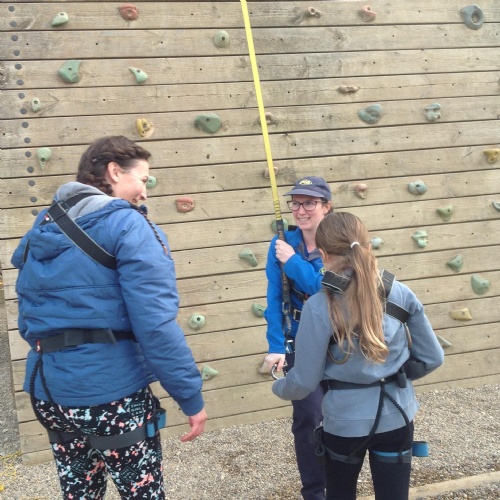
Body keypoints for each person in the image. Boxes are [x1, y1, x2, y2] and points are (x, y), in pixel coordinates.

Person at [12, 135, 207, 499]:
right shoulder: (128, 225)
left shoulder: (44, 224)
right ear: (115, 172)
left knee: (80, 493)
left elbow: (27, 313)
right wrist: (190, 397)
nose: (144, 192)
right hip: (109, 395)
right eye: (142, 179)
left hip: (50, 392)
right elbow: (156, 325)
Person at [272, 211, 445, 500]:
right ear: (367, 245)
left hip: (344, 423)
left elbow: (303, 382)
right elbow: (432, 358)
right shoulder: (399, 293)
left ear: (323, 255)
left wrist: (278, 386)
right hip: (397, 414)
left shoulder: (319, 306)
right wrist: (395, 377)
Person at [262, 176, 333, 500]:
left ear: (326, 206)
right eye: (296, 203)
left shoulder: (338, 241)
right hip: (299, 342)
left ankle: (340, 485)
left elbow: (326, 289)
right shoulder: (282, 242)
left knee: (341, 415)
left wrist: (292, 261)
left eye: (310, 203)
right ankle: (315, 492)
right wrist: (276, 345)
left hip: (337, 341)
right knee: (308, 418)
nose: (301, 210)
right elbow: (275, 296)